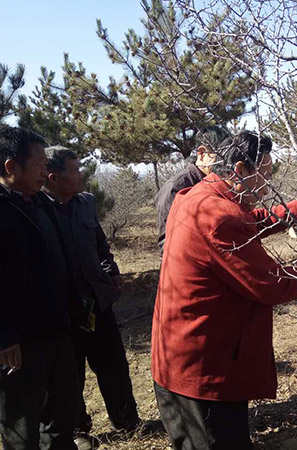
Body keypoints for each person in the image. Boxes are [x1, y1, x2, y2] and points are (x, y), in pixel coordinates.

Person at [152, 131, 297, 450]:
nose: (267, 187)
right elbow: (269, 283)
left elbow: (253, 221)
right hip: (202, 372)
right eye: (264, 175)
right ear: (240, 169)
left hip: (179, 358)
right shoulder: (217, 215)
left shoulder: (201, 195)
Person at [43, 147, 146, 448]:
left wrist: (110, 268)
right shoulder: (38, 210)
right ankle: (78, 430)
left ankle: (127, 421)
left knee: (114, 365)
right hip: (63, 311)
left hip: (97, 303)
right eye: (74, 170)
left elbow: (100, 244)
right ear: (53, 178)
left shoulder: (86, 203)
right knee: (69, 376)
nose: (81, 175)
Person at [0, 127, 80, 450]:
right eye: (37, 165)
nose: (45, 172)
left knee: (65, 411)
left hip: (57, 330)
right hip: (19, 342)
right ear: (10, 167)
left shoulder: (40, 203)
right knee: (22, 426)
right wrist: (4, 336)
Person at [154, 126, 231, 253]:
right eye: (220, 158)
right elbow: (168, 243)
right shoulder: (177, 187)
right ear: (201, 153)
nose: (225, 164)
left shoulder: (220, 182)